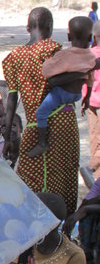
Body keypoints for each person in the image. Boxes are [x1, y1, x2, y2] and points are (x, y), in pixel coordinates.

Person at [2, 6, 79, 213]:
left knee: (28, 178)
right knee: (63, 174)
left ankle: (36, 227)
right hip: (63, 120)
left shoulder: (14, 57)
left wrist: (8, 136)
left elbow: (11, 99)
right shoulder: (53, 49)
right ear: (50, 27)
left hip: (36, 124)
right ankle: (61, 227)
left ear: (28, 28)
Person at [29, 16, 96, 158]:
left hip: (61, 94)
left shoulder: (64, 55)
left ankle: (42, 143)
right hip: (76, 95)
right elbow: (91, 79)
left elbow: (46, 72)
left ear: (69, 36)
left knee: (41, 113)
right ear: (90, 37)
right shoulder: (90, 57)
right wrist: (87, 97)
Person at [84, 20, 100, 178]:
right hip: (93, 102)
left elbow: (85, 79)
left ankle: (94, 170)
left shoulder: (89, 54)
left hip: (92, 103)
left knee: (95, 138)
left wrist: (85, 98)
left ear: (93, 38)